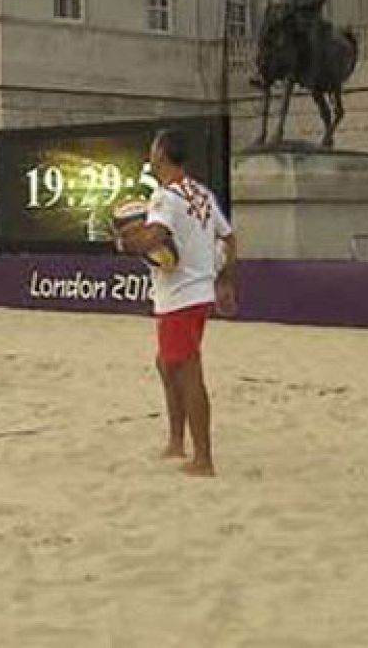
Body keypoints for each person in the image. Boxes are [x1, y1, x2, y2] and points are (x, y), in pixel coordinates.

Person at [118, 129, 238, 478]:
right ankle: (176, 441)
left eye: (153, 148)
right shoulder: (201, 192)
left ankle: (203, 459)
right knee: (167, 365)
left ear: (161, 154)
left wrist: (126, 240)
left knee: (187, 371)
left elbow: (156, 236)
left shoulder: (164, 196)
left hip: (180, 295)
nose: (150, 154)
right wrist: (226, 280)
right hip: (197, 292)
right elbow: (229, 238)